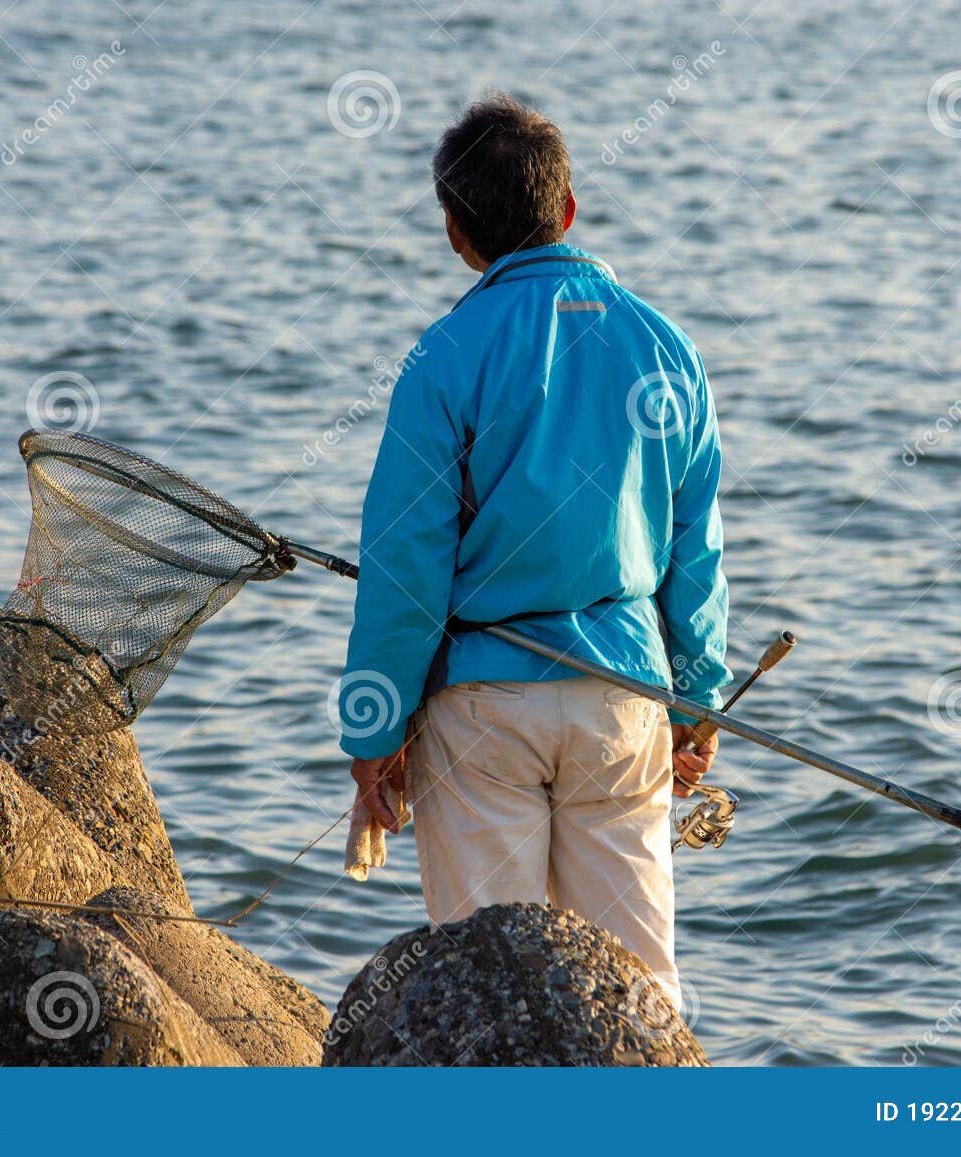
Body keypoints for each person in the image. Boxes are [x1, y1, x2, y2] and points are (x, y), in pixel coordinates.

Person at [337, 93, 729, 1005]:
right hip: (625, 705)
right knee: (639, 996)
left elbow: (406, 567)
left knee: (489, 991)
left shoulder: (442, 357)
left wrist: (375, 729)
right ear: (568, 211)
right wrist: (697, 704)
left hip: (484, 716)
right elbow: (695, 551)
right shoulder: (667, 349)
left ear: (455, 232)